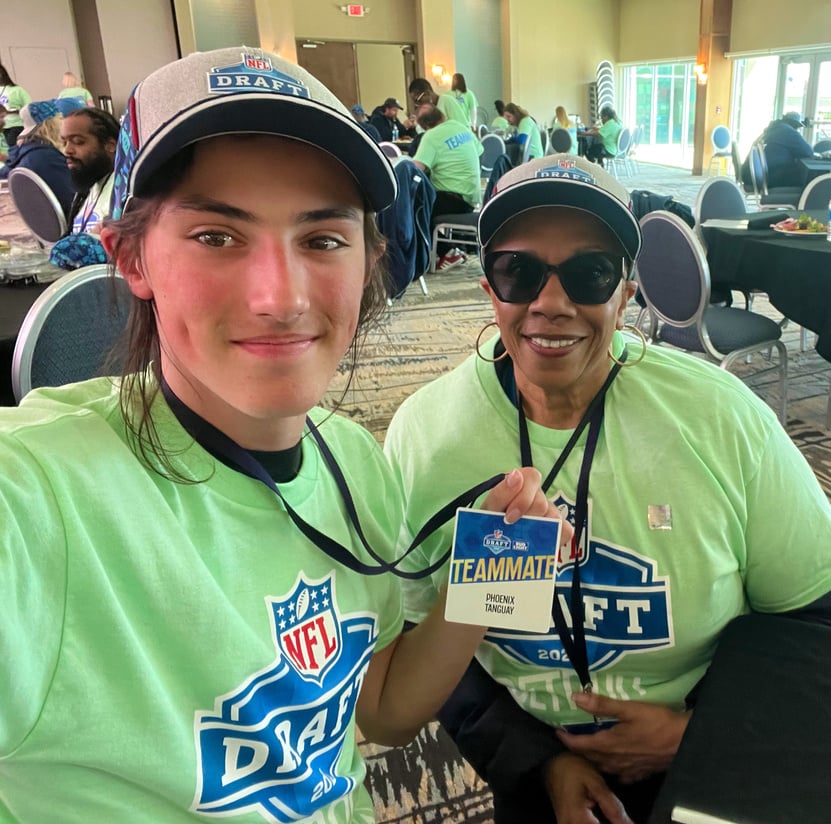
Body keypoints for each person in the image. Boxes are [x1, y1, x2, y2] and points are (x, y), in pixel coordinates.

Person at [0, 46, 562, 821]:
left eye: (322, 239)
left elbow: (380, 712)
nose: (281, 297)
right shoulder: (42, 499)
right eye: (216, 237)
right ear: (130, 256)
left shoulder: (354, 460)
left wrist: (492, 577)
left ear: (370, 259)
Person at [385, 153, 831, 824]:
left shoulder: (718, 416)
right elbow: (413, 634)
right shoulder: (426, 435)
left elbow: (812, 619)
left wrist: (696, 737)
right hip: (526, 753)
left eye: (589, 274)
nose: (550, 303)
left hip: (711, 741)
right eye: (519, 271)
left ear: (626, 293)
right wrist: (537, 760)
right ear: (488, 290)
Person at [412, 103, 482, 271]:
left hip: (451, 199)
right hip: (472, 197)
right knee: (426, 203)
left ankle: (448, 251)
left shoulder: (431, 136)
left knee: (415, 208)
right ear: (441, 115)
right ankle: (454, 247)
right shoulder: (461, 127)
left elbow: (415, 168)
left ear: (425, 126)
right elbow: (479, 151)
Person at [0, 100, 74, 216]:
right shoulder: (47, 158)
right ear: (49, 123)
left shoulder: (24, 153)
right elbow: (71, 199)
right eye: (60, 118)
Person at [59, 106, 119, 234]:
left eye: (78, 141)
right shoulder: (90, 186)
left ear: (110, 145)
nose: (67, 150)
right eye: (64, 142)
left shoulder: (124, 191)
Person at [744, 112, 814, 189]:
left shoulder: (772, 129)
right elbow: (808, 152)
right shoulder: (788, 131)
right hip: (769, 177)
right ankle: (805, 200)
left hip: (752, 175)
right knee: (808, 176)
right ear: (795, 124)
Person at [0, 64, 32, 146]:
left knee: (13, 151)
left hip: (15, 126)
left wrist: (13, 111)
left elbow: (30, 108)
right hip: (2, 129)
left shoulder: (17, 90)